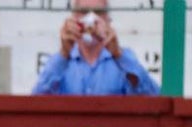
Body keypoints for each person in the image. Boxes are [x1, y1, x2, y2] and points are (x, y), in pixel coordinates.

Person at [31, 0, 159, 96]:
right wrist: (64, 53)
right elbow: (37, 100)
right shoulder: (60, 62)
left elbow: (154, 97)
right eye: (84, 12)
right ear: (73, 18)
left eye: (98, 13)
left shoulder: (123, 61)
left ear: (108, 20)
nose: (91, 19)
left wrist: (118, 55)